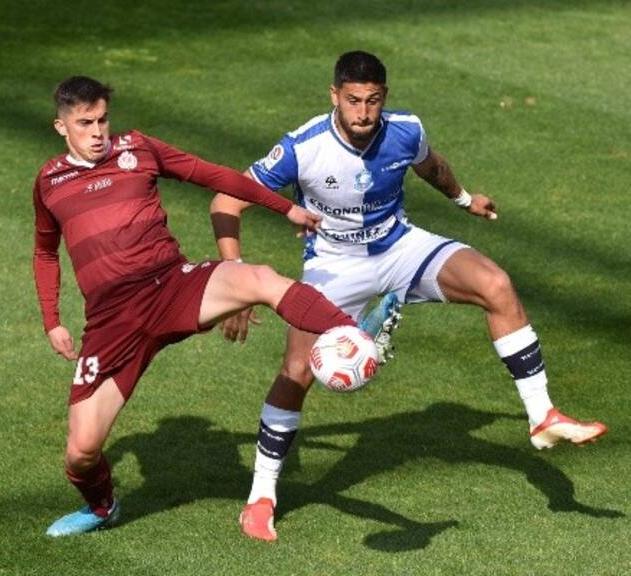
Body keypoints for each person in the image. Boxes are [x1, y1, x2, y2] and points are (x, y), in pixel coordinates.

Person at [209, 51, 608, 542]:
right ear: (334, 95)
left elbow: (431, 166)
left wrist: (465, 199)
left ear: (385, 98)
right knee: (295, 371)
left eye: (373, 101)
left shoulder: (405, 130)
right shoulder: (302, 147)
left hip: (399, 244)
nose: (363, 112)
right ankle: (261, 497)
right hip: (335, 265)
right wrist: (237, 276)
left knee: (496, 284)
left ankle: (541, 414)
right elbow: (226, 200)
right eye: (353, 100)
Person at [32, 75, 384, 537]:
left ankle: (352, 334)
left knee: (259, 278)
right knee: (80, 452)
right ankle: (102, 509)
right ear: (63, 128)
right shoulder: (50, 182)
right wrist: (52, 320)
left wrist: (287, 209)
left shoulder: (139, 149)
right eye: (85, 123)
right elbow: (44, 251)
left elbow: (213, 175)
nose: (98, 132)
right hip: (111, 321)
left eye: (102, 120)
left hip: (170, 286)